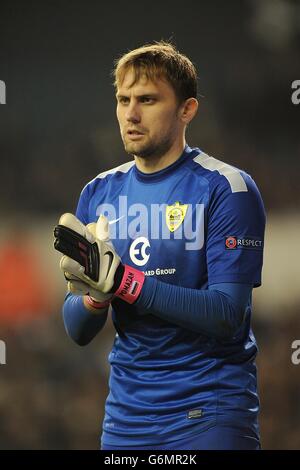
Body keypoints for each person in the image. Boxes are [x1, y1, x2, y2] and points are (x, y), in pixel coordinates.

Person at [55, 41, 266, 450]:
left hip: (209, 415)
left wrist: (124, 282)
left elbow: (227, 314)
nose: (131, 114)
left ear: (187, 110)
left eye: (147, 100)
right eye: (123, 99)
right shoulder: (98, 193)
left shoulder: (227, 188)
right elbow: (76, 329)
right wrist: (97, 299)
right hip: (124, 422)